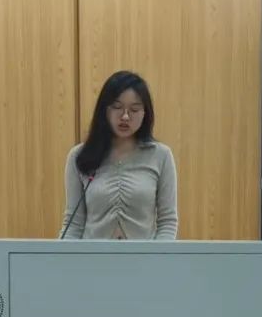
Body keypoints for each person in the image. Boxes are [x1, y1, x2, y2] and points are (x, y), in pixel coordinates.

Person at [61, 70, 178, 240]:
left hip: (144, 256)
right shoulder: (79, 156)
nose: (125, 116)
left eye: (134, 109)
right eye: (117, 107)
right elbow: (73, 225)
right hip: (93, 256)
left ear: (145, 113)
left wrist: (159, 256)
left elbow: (167, 222)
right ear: (104, 110)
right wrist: (60, 255)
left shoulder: (161, 156)